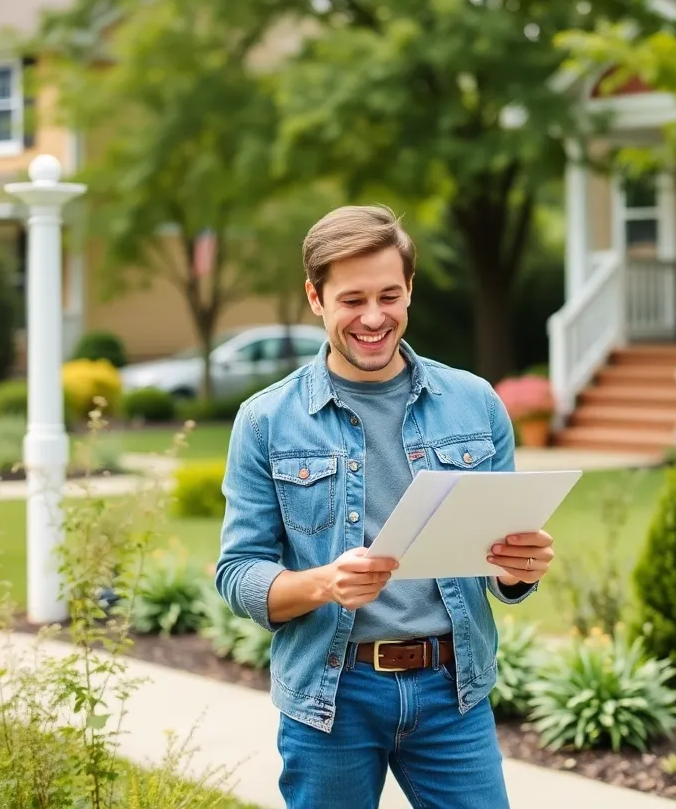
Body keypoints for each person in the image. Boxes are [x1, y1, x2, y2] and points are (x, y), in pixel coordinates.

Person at [214, 204, 554, 808]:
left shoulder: (474, 403)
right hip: (332, 695)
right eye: (351, 300)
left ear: (410, 291)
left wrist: (515, 568)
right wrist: (324, 584)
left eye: (389, 296)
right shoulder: (266, 421)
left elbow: (501, 570)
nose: (373, 318)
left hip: (452, 693)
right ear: (315, 299)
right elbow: (238, 574)